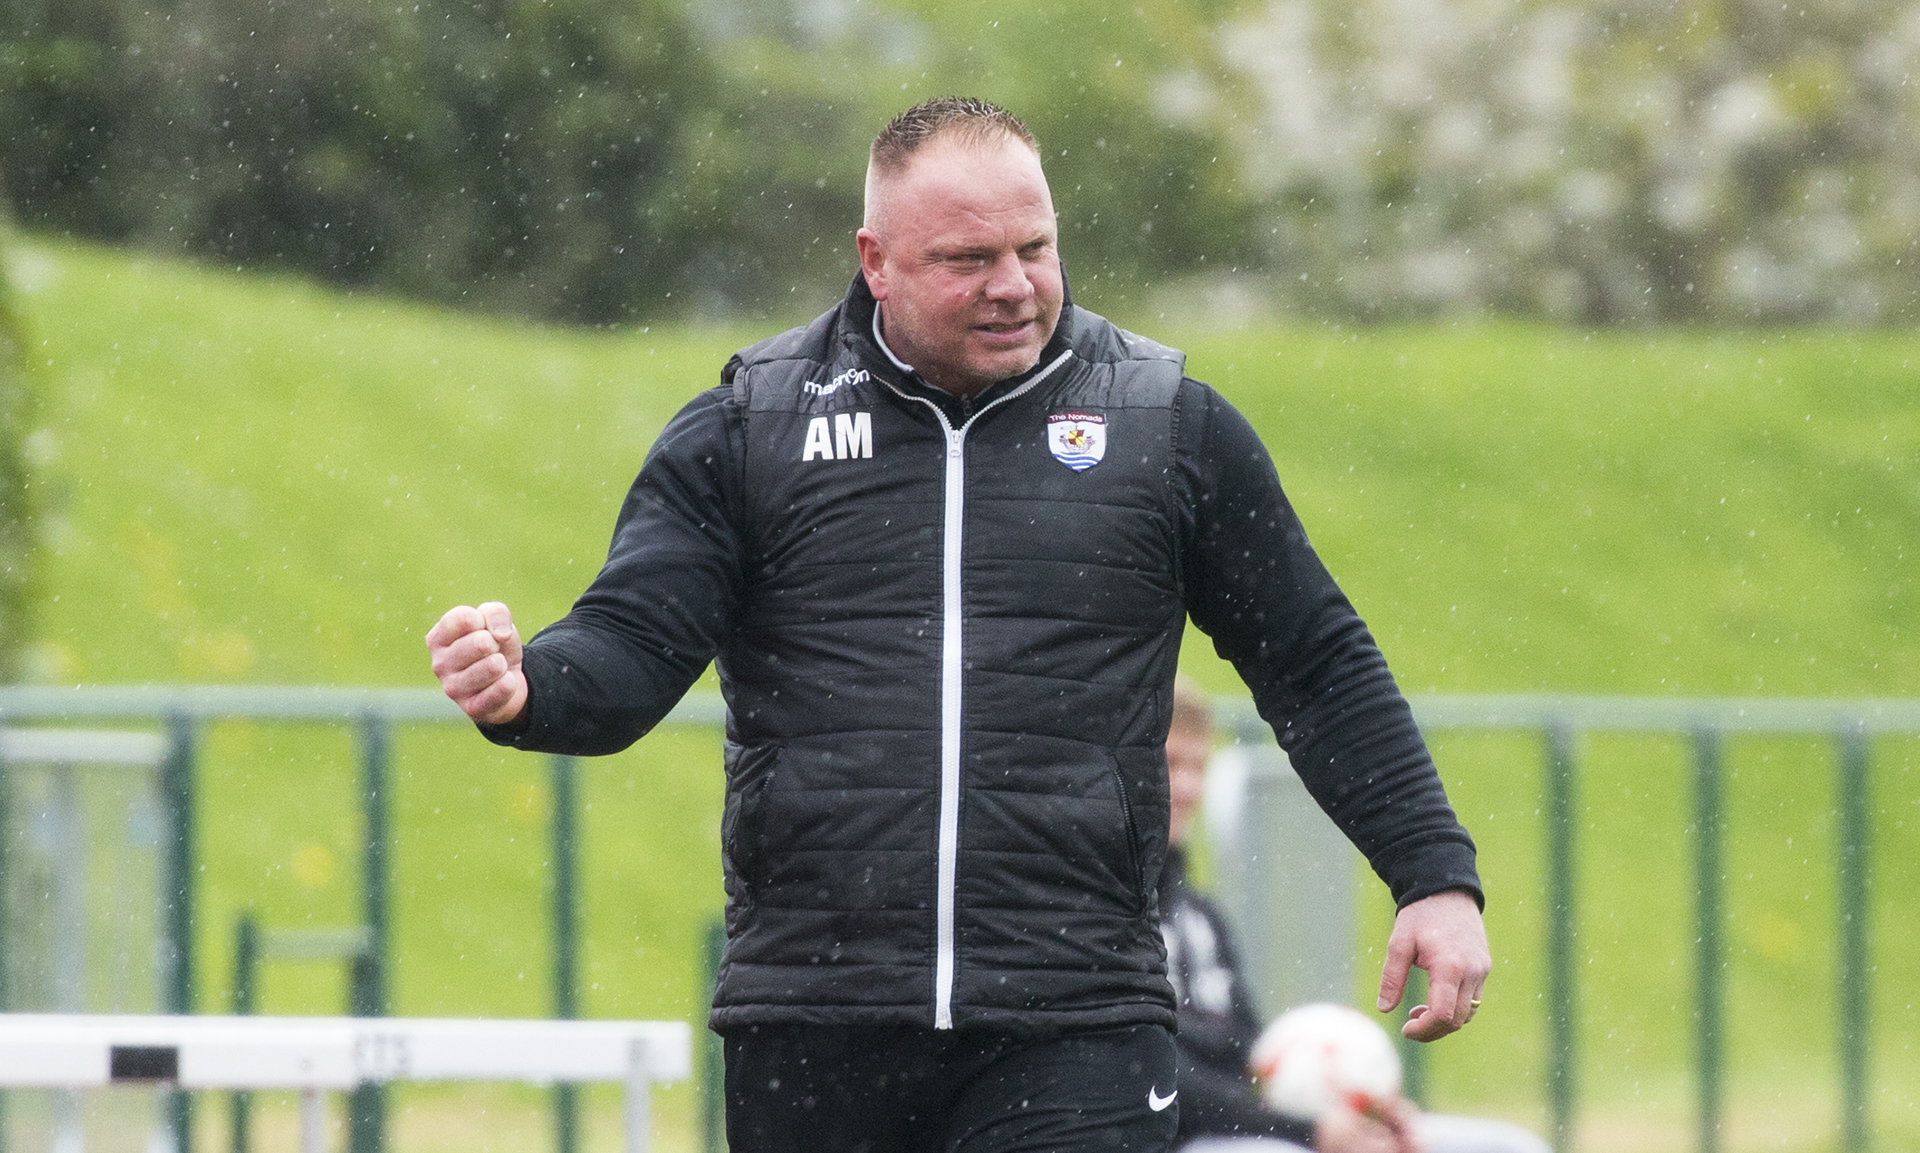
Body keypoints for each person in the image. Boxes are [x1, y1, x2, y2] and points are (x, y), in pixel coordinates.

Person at [426, 96, 1489, 1153]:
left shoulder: (1167, 424)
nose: (1014, 287)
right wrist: (532, 687)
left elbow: (1316, 662)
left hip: (1074, 1013)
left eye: (1036, 248)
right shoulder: (751, 425)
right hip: (815, 1012)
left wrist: (1432, 871)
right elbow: (632, 640)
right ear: (876, 260)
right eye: (969, 259)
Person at [1163, 677, 1549, 1153]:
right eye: (1169, 765)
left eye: (1198, 766)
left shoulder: (1202, 916)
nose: (1187, 787)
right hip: (1185, 1141)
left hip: (1256, 1129)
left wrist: (1364, 1109)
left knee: (1509, 1147)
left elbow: (1248, 1058)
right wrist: (1307, 1133)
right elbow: (1151, 1077)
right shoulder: (1101, 919)